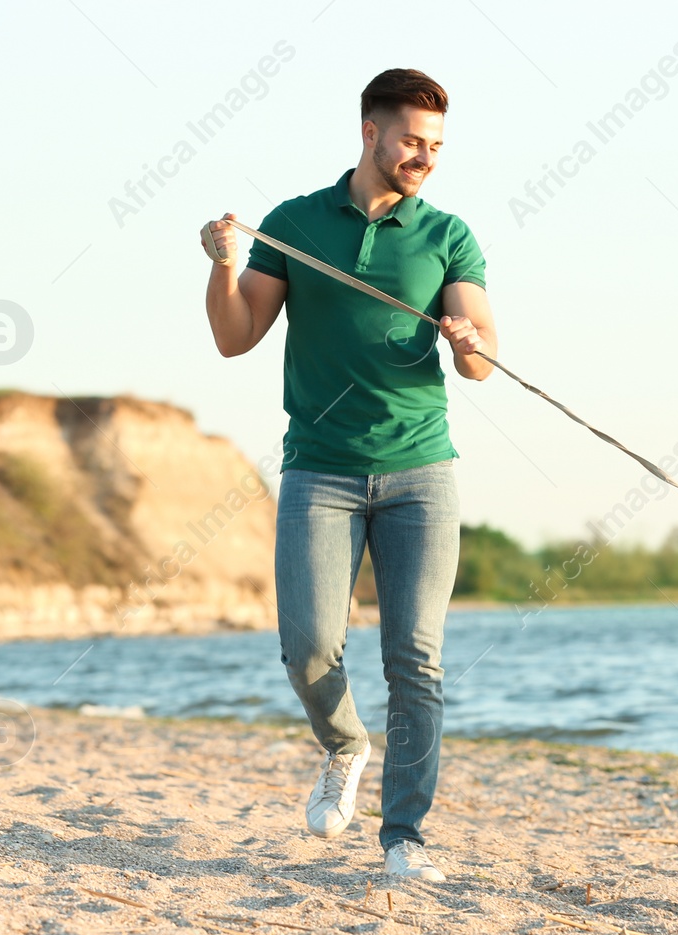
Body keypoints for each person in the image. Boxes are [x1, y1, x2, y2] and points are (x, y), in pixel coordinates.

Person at [199, 68, 495, 883]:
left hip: (420, 472)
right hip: (319, 472)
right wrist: (224, 266)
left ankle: (405, 835)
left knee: (416, 658)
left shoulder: (447, 235)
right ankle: (343, 745)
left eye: (435, 147)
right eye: (411, 141)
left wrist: (468, 337)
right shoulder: (295, 224)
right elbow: (235, 337)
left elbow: (483, 364)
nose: (423, 158)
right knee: (306, 648)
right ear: (370, 132)